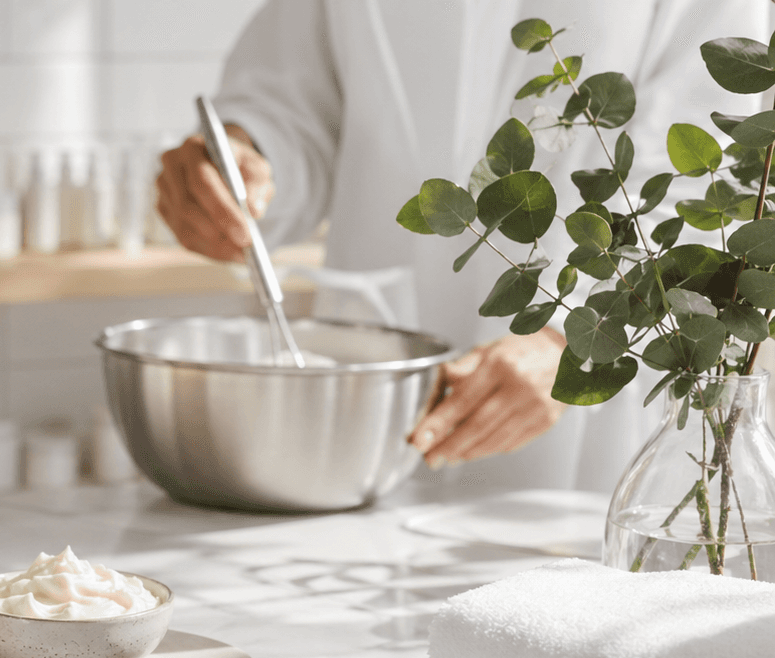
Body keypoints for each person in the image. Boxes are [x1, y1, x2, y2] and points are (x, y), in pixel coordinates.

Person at [158, 0, 767, 491]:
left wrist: (580, 336)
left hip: (595, 409)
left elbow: (700, 166)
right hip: (373, 385)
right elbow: (296, 105)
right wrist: (246, 165)